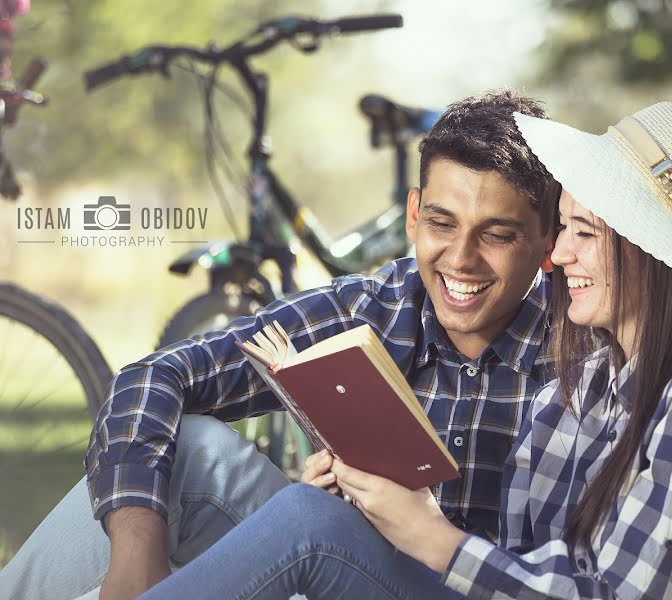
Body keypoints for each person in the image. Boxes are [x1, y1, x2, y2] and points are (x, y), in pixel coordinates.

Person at [139, 101, 672, 599]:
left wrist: (431, 536)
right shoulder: (591, 376)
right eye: (563, 231)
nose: (560, 255)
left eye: (584, 235)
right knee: (271, 493)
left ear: (652, 259)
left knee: (306, 524)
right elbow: (523, 555)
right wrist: (382, 508)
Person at [0, 90, 561, 600]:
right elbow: (156, 376)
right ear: (414, 216)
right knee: (194, 448)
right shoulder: (378, 306)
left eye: (496, 234)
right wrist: (135, 553)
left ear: (546, 241)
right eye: (442, 223)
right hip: (344, 565)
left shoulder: (585, 352)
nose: (461, 259)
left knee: (306, 520)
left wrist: (408, 529)